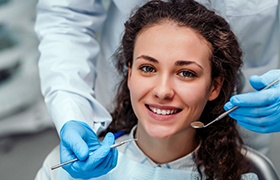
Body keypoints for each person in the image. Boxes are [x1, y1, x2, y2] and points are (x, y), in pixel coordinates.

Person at [34, 0, 279, 178]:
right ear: (128, 72)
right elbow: (66, 17)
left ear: (215, 86)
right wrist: (72, 112)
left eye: (186, 73)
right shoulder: (60, 170)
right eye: (148, 68)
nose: (163, 91)